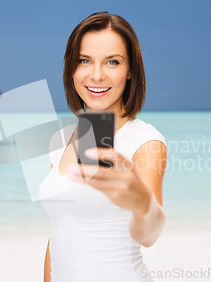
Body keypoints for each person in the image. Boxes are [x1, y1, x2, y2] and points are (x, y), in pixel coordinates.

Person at [40, 11, 168, 282]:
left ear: (130, 70)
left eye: (112, 62)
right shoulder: (60, 140)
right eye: (84, 60)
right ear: (71, 68)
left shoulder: (145, 141)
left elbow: (150, 235)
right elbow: (58, 234)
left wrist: (141, 201)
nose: (96, 75)